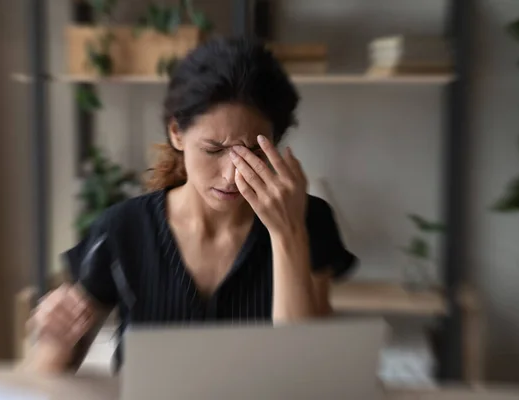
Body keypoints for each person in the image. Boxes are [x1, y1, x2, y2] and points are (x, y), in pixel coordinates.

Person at [23, 37, 357, 373]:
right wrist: (54, 336)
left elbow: (306, 371)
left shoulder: (309, 220)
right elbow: (50, 371)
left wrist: (288, 234)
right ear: (177, 133)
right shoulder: (123, 228)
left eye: (253, 153)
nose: (230, 176)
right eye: (213, 149)